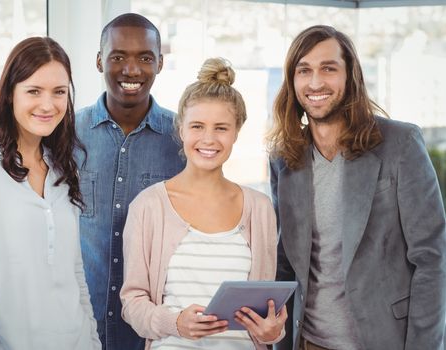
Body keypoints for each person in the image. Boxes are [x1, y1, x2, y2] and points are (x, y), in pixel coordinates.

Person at [267, 25, 446, 350]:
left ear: (351, 77)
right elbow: (286, 261)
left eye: (328, 69)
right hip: (308, 342)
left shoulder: (401, 144)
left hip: (384, 340)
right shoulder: (284, 158)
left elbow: (433, 258)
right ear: (292, 82)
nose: (316, 82)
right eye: (303, 70)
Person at [0, 37, 101, 350]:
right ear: (10, 94)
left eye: (59, 92)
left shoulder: (61, 167)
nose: (48, 104)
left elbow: (74, 272)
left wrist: (93, 341)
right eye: (34, 91)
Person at [120, 57, 287, 350]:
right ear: (181, 129)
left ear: (237, 131)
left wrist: (271, 332)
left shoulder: (260, 209)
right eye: (197, 126)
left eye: (221, 128)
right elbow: (132, 304)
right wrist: (175, 323)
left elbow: (265, 315)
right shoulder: (148, 206)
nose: (208, 139)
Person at [74, 13, 185, 350]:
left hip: (153, 330)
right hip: (79, 325)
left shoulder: (183, 138)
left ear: (160, 63)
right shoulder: (66, 134)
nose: (132, 70)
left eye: (145, 58)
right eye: (118, 56)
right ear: (98, 61)